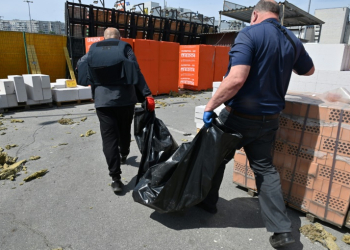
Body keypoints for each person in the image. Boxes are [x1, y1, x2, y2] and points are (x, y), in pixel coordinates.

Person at [201, 0, 315, 248]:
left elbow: (236, 79)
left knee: (216, 158)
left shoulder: (249, 34)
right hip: (269, 119)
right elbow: (309, 71)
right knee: (265, 171)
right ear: (278, 16)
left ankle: (207, 203)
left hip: (238, 117)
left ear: (254, 14)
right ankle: (282, 232)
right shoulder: (291, 40)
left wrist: (210, 107)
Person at [87, 28, 155, 193]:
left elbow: (88, 72)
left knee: (109, 138)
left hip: (103, 101)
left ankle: (116, 179)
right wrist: (147, 94)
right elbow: (136, 71)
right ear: (119, 38)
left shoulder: (93, 50)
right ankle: (124, 153)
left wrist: (94, 94)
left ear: (103, 38)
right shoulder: (125, 48)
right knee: (124, 131)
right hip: (125, 100)